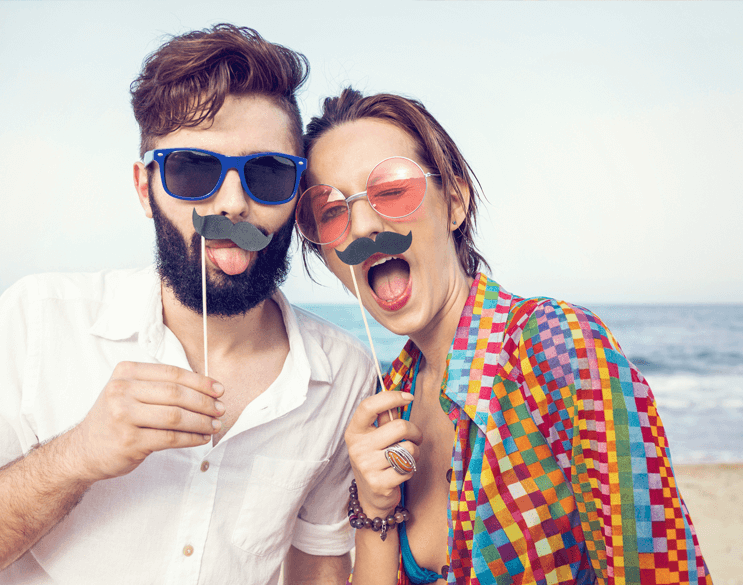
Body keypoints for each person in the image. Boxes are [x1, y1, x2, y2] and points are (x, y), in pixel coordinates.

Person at [0, 26, 376, 585]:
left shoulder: (345, 375)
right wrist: (76, 457)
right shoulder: (40, 316)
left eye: (267, 174)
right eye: (194, 170)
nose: (234, 203)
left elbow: (317, 565)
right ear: (146, 189)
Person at [295, 88, 712, 584]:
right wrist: (373, 504)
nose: (361, 225)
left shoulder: (556, 346)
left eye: (390, 191)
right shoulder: (389, 402)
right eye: (331, 211)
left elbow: (661, 572)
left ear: (454, 201)